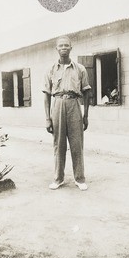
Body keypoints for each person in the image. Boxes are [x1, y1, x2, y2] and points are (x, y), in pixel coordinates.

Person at [43, 36, 91, 190]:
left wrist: (86, 115)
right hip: (57, 105)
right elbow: (46, 95)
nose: (63, 48)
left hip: (74, 105)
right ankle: (58, 178)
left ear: (71, 48)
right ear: (57, 49)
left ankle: (80, 178)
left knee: (77, 143)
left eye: (66, 45)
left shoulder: (80, 69)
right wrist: (47, 119)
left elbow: (87, 93)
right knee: (59, 144)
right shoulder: (51, 69)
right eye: (60, 45)